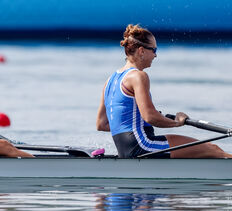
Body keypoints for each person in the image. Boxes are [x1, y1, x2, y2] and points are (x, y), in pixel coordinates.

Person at [96, 24, 232, 158]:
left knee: (212, 148)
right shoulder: (138, 76)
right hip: (143, 145)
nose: (155, 55)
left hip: (125, 149)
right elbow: (150, 117)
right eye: (154, 50)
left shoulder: (110, 80)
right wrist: (177, 122)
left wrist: (139, 122)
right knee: (214, 151)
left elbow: (101, 124)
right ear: (141, 51)